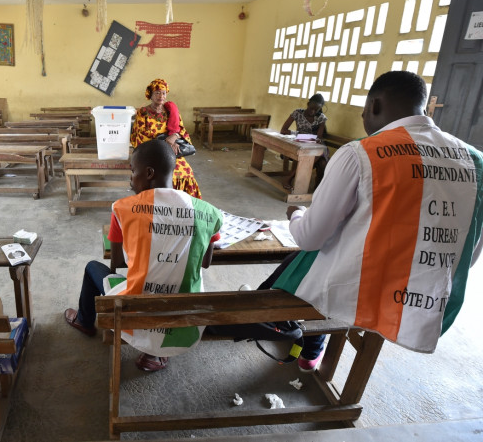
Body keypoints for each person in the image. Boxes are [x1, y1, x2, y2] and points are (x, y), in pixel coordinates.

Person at [233, 71, 483, 371]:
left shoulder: (362, 153)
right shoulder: (475, 160)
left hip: (358, 288)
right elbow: (467, 257)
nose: (365, 118)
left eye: (364, 112)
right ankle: (311, 351)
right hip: (426, 299)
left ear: (375, 105)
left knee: (295, 267)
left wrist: (297, 214)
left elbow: (310, 238)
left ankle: (273, 325)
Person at [64, 139, 223, 372]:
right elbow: (205, 263)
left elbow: (117, 263)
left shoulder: (123, 208)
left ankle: (84, 321)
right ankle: (155, 354)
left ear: (148, 173)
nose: (131, 178)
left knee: (93, 268)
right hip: (185, 315)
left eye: (132, 171)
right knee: (175, 279)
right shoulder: (209, 212)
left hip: (135, 314)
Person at [131, 78, 202, 199]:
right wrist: (166, 145)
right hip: (151, 152)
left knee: (186, 173)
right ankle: (160, 203)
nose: (161, 96)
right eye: (157, 93)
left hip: (171, 151)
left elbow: (181, 129)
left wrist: (174, 137)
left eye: (163, 93)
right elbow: (139, 135)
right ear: (150, 95)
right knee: (157, 175)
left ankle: (182, 204)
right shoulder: (143, 112)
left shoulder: (171, 111)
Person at [279, 93, 329, 189]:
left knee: (321, 159)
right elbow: (283, 130)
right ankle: (290, 178)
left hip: (316, 146)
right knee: (317, 159)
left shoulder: (321, 117)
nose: (313, 111)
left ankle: (290, 178)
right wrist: (300, 135)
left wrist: (301, 135)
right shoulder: (297, 113)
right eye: (311, 108)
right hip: (302, 144)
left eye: (316, 110)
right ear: (308, 103)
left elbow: (318, 138)